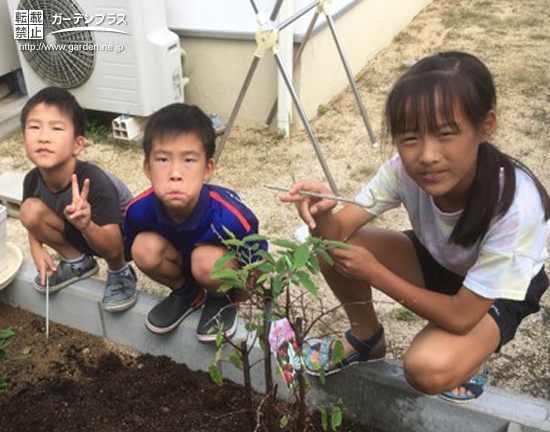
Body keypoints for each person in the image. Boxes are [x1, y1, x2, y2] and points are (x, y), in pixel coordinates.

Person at [281, 51, 550, 402]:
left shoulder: (515, 206)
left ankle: (472, 353)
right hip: (439, 259)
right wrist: (321, 214)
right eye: (410, 138)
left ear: (485, 126)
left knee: (427, 368)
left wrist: (376, 273)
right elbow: (336, 234)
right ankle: (366, 338)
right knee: (336, 247)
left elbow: (461, 315)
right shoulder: (401, 170)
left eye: (445, 133)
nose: (427, 155)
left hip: (496, 292)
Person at [124, 103, 264, 340]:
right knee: (143, 248)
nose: (175, 173)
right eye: (162, 160)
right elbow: (129, 252)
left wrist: (240, 297)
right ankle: (187, 293)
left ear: (207, 168)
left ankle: (221, 299)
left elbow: (256, 261)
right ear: (147, 168)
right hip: (180, 262)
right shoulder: (138, 210)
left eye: (189, 160)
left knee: (206, 262)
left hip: (215, 266)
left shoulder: (229, 216)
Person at [19, 86, 137, 312]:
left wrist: (87, 225)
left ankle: (120, 273)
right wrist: (35, 247)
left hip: (121, 241)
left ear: (77, 144)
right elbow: (30, 221)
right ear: (24, 140)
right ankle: (78, 262)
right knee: (29, 210)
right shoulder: (32, 179)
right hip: (81, 231)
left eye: (56, 128)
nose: (43, 137)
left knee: (113, 248)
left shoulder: (93, 181)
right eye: (34, 127)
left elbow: (114, 245)